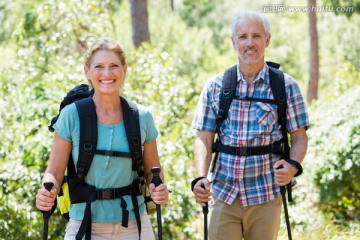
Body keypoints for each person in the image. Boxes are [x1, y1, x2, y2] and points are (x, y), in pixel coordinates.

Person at [191, 10, 309, 240]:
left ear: (267, 40)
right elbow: (203, 139)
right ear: (233, 42)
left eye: (256, 36)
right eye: (243, 36)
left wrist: (293, 166)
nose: (250, 43)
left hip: (266, 193)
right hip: (223, 192)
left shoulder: (285, 86)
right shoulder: (216, 86)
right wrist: (200, 177)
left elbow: (300, 137)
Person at [36, 37, 169, 240]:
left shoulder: (142, 117)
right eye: (99, 66)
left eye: (114, 66)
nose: (107, 73)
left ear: (124, 70)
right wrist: (47, 191)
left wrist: (158, 188)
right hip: (85, 222)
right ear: (86, 71)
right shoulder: (71, 116)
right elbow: (54, 171)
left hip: (135, 224)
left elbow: (153, 171)